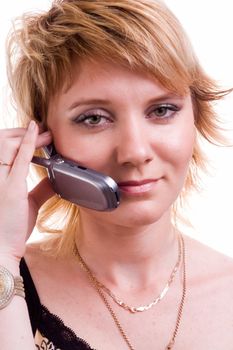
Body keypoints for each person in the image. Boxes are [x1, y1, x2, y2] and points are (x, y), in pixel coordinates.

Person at [0, 0, 232, 349]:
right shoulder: (9, 277)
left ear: (195, 118)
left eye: (162, 110)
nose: (135, 152)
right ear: (44, 140)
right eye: (93, 118)